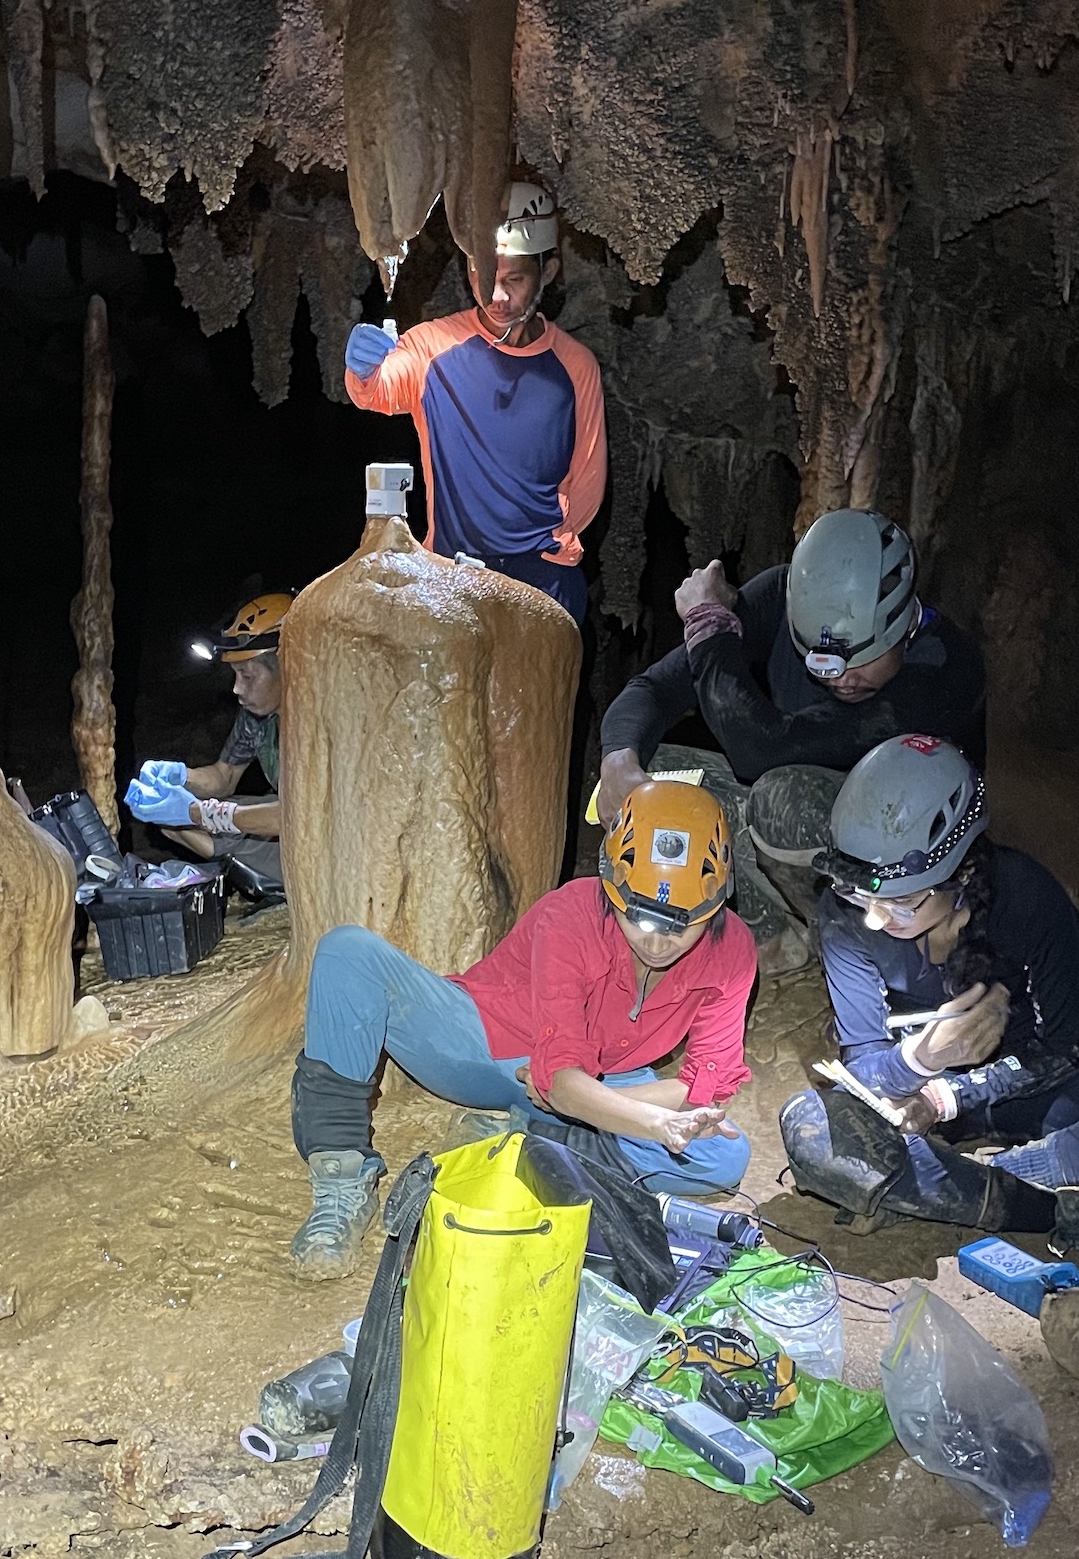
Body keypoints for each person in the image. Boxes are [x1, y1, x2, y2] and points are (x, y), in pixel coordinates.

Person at [776, 736, 1079, 1270]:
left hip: (1031, 1090)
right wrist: (921, 1062)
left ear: (961, 875)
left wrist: (950, 1096)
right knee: (810, 1128)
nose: (873, 918)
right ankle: (1059, 1211)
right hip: (909, 1105)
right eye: (860, 896)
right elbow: (866, 1069)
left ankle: (999, 1176)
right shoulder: (844, 917)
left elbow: (1064, 1049)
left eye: (902, 902)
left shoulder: (1029, 901)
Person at [284, 781, 756, 1273]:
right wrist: (647, 1119)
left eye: (681, 924)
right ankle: (341, 1184)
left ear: (717, 906)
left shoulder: (733, 952)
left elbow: (704, 1090)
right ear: (610, 887)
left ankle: (526, 1132)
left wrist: (579, 1098)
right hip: (489, 1042)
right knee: (347, 953)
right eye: (639, 917)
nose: (658, 943)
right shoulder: (570, 914)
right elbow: (589, 1081)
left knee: (724, 1156)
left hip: (601, 1079)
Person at [597, 509, 986, 964]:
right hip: (798, 812)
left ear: (902, 626)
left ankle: (867, 959)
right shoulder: (782, 598)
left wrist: (708, 626)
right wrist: (618, 761)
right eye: (817, 660)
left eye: (860, 659)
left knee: (782, 797)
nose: (840, 677)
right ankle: (771, 935)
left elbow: (760, 749)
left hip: (910, 857)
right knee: (656, 777)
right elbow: (653, 690)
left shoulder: (944, 670)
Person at [341, 181, 605, 621]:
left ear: (549, 271)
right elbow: (381, 390)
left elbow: (588, 483)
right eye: (482, 274)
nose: (496, 295)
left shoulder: (575, 366)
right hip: (451, 574)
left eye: (514, 279)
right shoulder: (434, 346)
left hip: (544, 577)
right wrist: (363, 370)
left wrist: (546, 545)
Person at [125, 591, 290, 904]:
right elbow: (224, 775)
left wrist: (202, 813)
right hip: (285, 813)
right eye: (235, 675)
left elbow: (297, 814)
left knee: (204, 824)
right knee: (172, 824)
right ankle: (254, 869)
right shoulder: (258, 718)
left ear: (288, 666)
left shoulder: (319, 717)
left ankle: (268, 877)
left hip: (330, 838)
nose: (237, 688)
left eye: (248, 675)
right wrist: (179, 776)